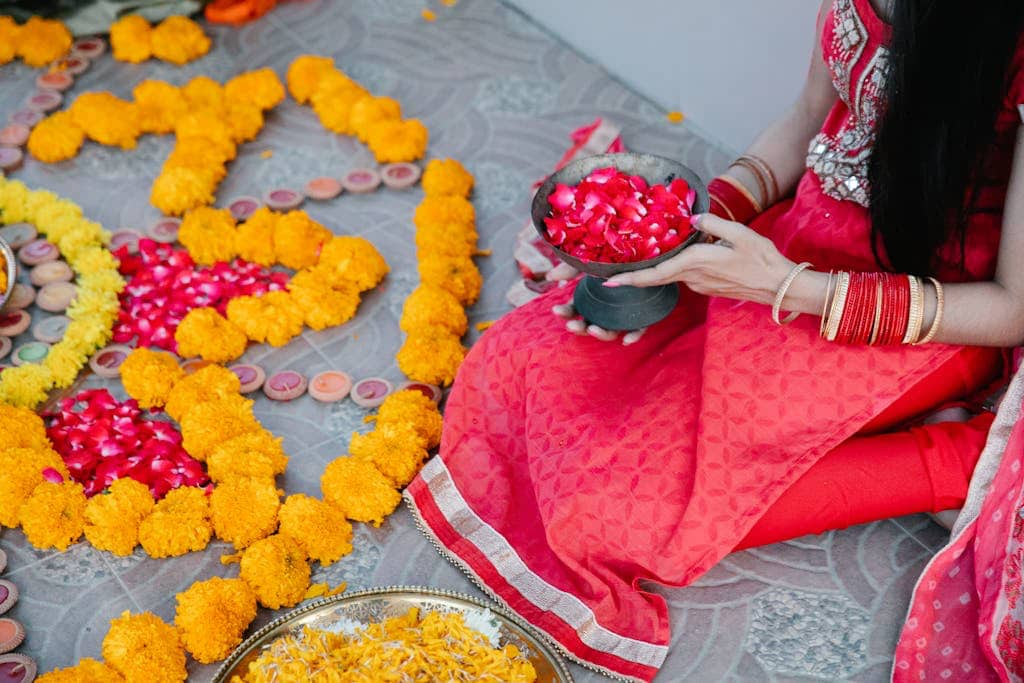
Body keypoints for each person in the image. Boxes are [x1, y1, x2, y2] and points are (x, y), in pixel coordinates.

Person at [406, 1, 1024, 680]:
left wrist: (788, 289)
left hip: (918, 322)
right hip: (789, 247)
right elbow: (798, 130)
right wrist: (681, 233)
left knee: (620, 512)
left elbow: (1010, 309)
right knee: (518, 355)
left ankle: (957, 460)